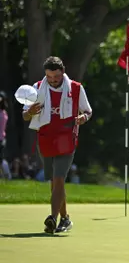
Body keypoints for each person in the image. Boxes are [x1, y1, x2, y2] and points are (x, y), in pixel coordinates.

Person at [22, 56, 92, 234]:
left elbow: (88, 111)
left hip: (67, 139)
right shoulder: (37, 88)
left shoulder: (76, 88)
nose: (53, 80)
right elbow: (25, 116)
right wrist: (29, 112)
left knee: (59, 178)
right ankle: (65, 218)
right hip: (45, 139)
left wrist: (83, 118)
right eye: (50, 77)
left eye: (57, 77)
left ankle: (52, 218)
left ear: (63, 72)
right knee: (54, 182)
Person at [0, 91, 8, 178]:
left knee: (0, 159)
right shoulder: (4, 112)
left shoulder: (3, 112)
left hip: (1, 138)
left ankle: (4, 175)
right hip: (2, 138)